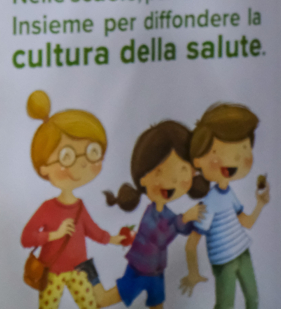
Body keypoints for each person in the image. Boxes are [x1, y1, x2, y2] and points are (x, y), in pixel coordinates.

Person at [20, 90, 128, 309]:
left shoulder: (79, 206)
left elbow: (93, 231)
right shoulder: (48, 208)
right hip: (52, 272)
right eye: (67, 156)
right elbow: (26, 238)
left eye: (92, 151)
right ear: (44, 168)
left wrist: (115, 239)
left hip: (79, 270)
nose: (82, 163)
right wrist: (54, 234)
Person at [99, 120, 207, 309]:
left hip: (156, 271)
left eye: (183, 170)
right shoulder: (151, 213)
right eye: (160, 172)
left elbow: (179, 227)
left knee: (157, 303)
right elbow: (160, 237)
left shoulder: (166, 212)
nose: (172, 180)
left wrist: (194, 222)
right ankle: (91, 279)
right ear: (143, 178)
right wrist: (184, 218)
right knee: (110, 298)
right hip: (139, 269)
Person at [179, 103, 270, 309]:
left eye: (244, 148)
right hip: (223, 261)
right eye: (220, 151)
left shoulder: (229, 193)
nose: (236, 158)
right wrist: (193, 272)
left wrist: (260, 204)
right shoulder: (208, 203)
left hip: (242, 252)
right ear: (198, 161)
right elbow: (191, 243)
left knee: (253, 299)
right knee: (225, 306)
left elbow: (246, 222)